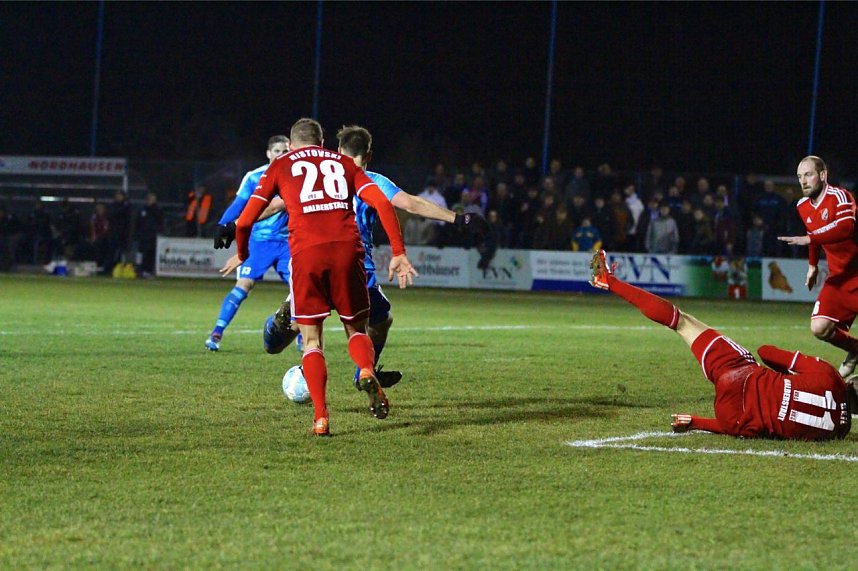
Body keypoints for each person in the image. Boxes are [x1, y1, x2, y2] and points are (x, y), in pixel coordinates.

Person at [220, 118, 417, 437]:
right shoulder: (342, 163)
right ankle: (365, 369)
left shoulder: (282, 165)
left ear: (293, 145)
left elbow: (246, 221)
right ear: (323, 142)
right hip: (348, 254)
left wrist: (242, 253)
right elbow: (381, 202)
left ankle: (322, 418)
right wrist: (398, 251)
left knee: (312, 342)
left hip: (307, 256)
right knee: (355, 328)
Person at [259, 125, 488, 389]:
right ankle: (364, 372)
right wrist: (459, 218)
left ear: (337, 150)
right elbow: (410, 203)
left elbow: (276, 204)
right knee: (378, 321)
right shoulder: (374, 181)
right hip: (356, 267)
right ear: (368, 155)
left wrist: (238, 224)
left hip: (316, 262)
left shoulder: (321, 174)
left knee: (297, 330)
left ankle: (282, 326)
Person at [589, 249, 854, 440]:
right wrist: (696, 422)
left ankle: (610, 281)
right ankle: (609, 281)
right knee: (683, 322)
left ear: (853, 383)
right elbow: (744, 429)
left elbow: (767, 352)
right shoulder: (839, 433)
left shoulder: (830, 375)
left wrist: (783, 378)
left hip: (740, 373)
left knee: (681, 321)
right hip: (734, 418)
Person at [205, 135, 291, 351]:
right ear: (268, 153)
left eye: (285, 150)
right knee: (243, 286)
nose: (281, 155)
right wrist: (223, 225)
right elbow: (239, 204)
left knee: (300, 290)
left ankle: (301, 338)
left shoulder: (295, 176)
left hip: (288, 244)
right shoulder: (254, 177)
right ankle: (217, 332)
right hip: (258, 243)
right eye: (277, 151)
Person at [778, 156, 858, 378]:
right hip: (840, 279)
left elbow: (845, 228)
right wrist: (812, 265)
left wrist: (810, 240)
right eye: (799, 177)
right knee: (819, 327)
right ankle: (855, 350)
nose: (803, 181)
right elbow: (814, 236)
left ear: (823, 175)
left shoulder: (840, 196)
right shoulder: (802, 206)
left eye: (808, 174)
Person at [135, 192, 164, 277]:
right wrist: (137, 233)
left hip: (152, 236)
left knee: (150, 253)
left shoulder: (157, 209)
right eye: (149, 198)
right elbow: (138, 222)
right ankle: (138, 269)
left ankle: (147, 271)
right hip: (142, 235)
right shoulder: (142, 209)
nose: (150, 199)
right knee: (140, 253)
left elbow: (160, 222)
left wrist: (158, 231)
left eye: (152, 198)